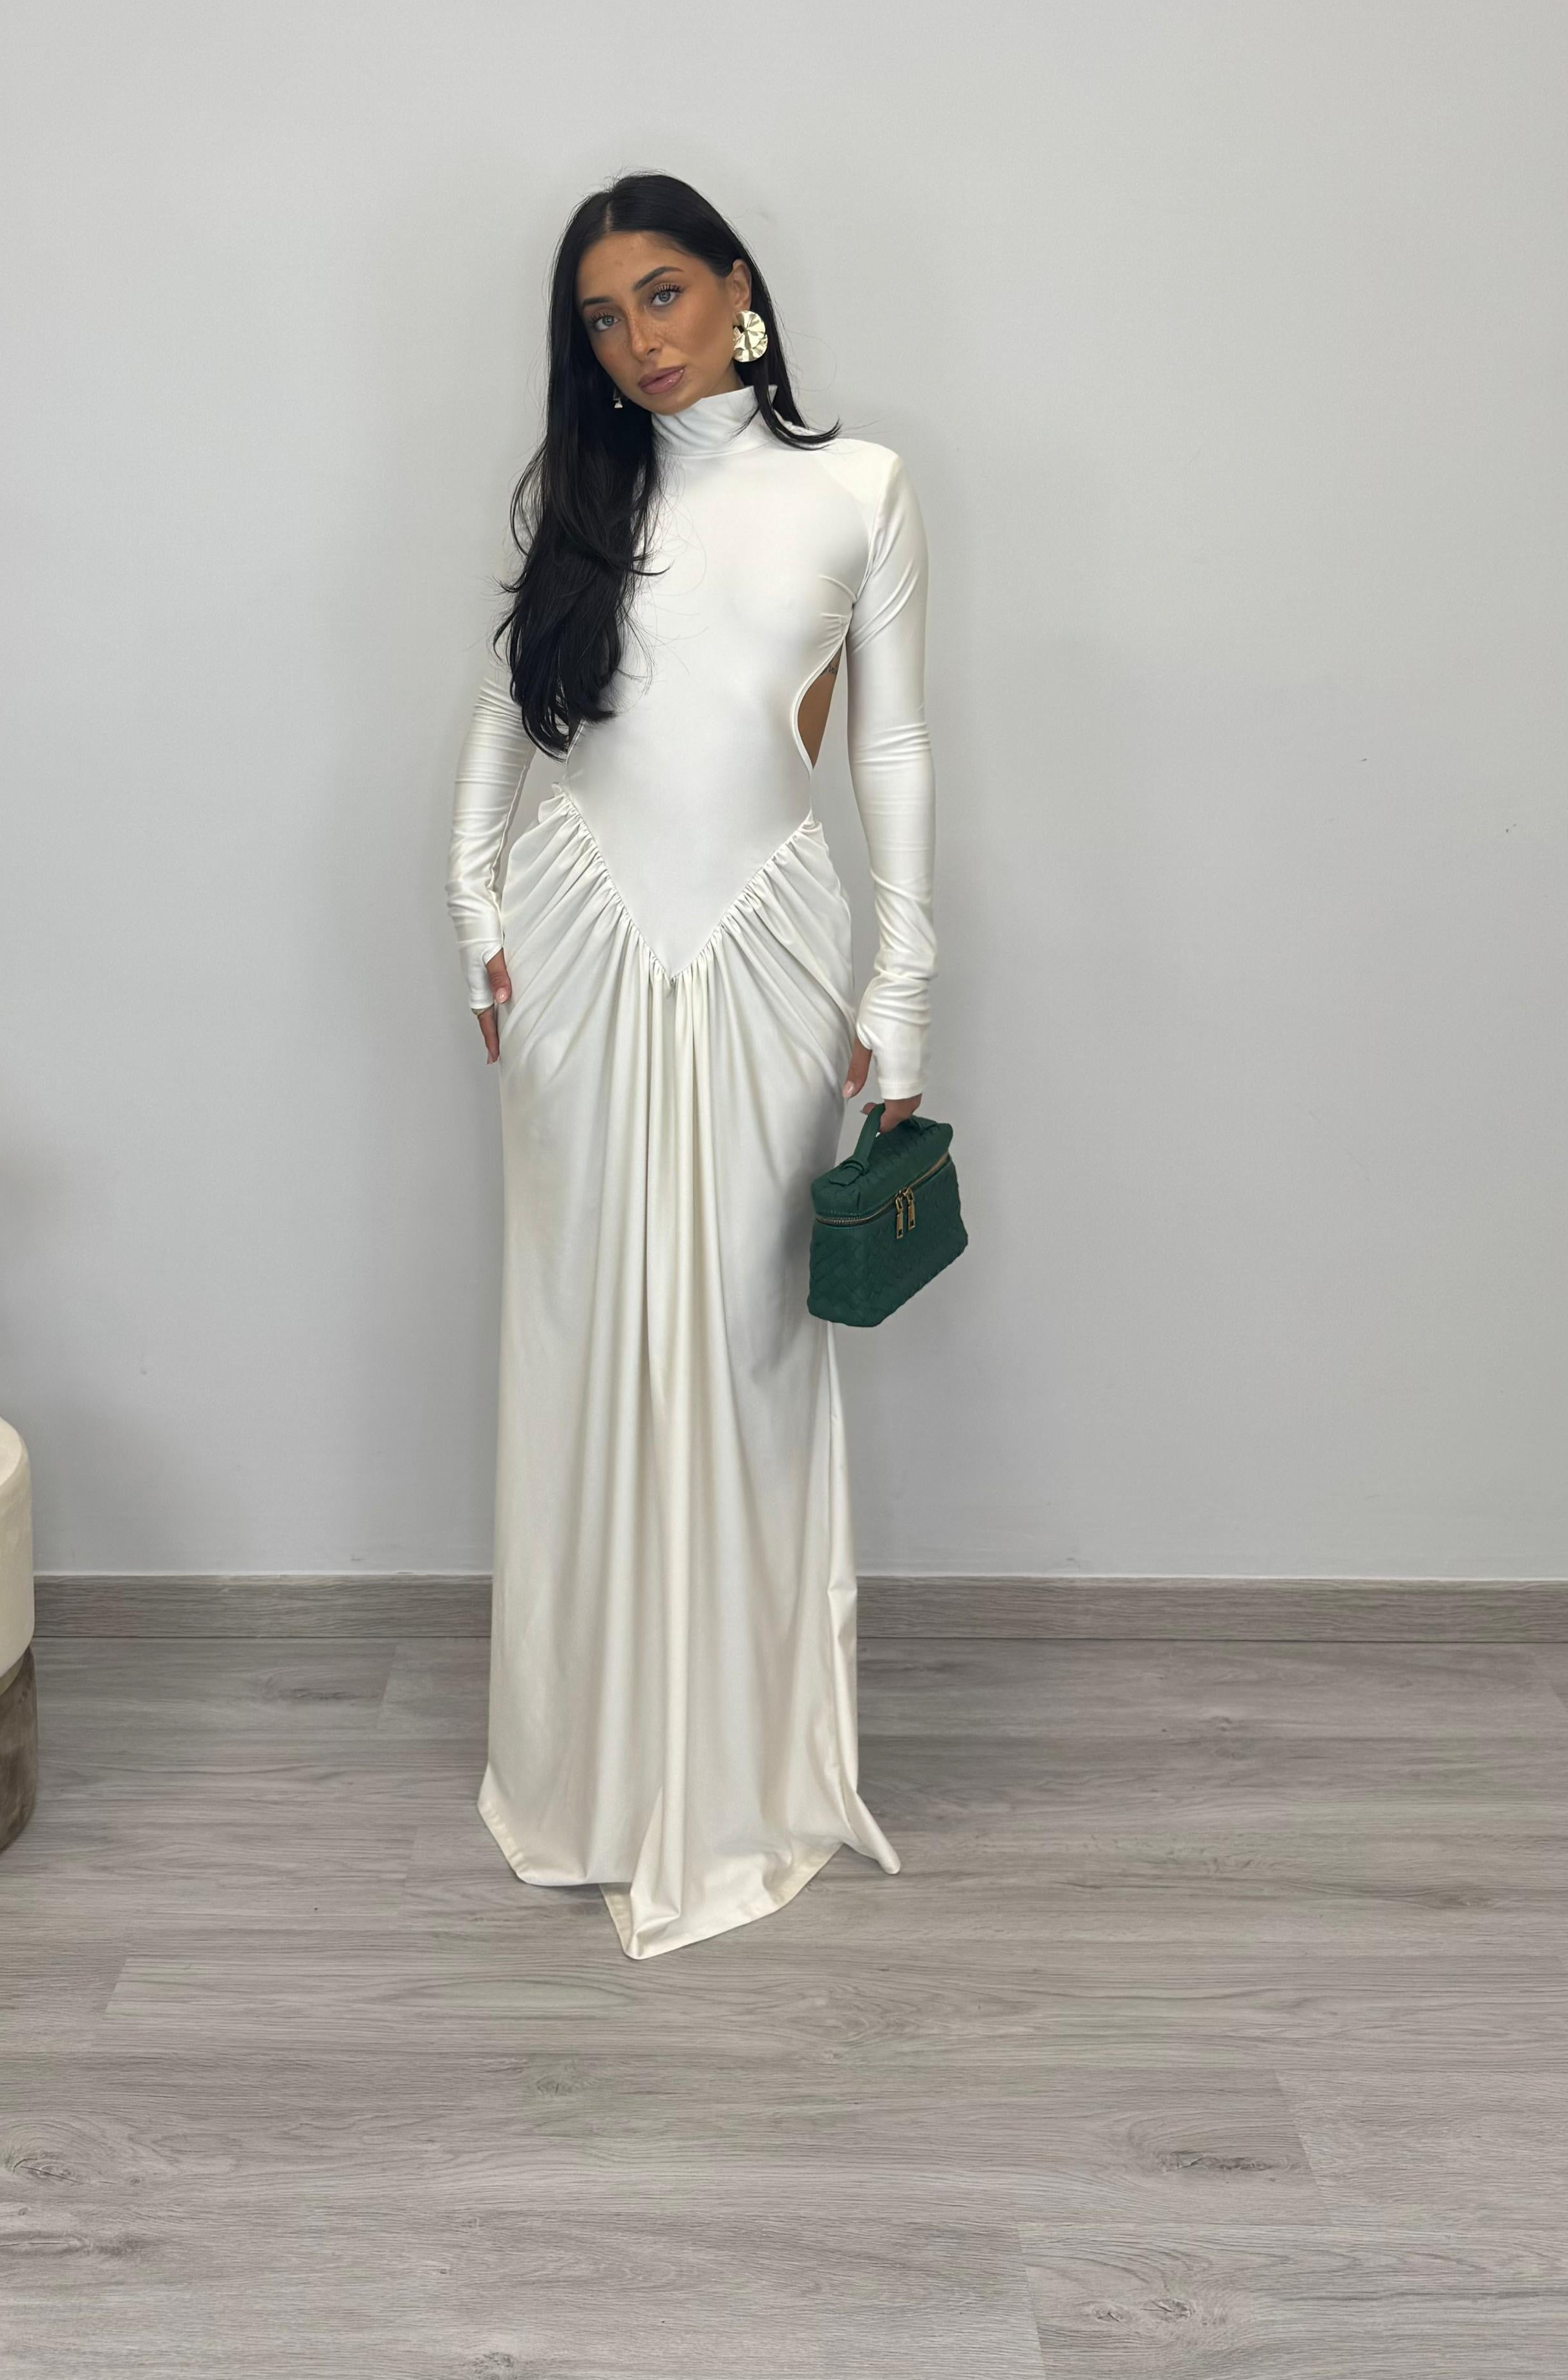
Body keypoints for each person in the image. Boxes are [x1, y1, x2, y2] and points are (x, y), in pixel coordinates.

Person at [444, 170, 937, 1958]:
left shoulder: (859, 488)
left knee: (745, 1345)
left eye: (662, 294)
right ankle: (588, 1777)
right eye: (601, 317)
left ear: (739, 290)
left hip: (771, 943)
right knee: (580, 1334)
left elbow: (892, 750)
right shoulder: (588, 500)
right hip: (576, 940)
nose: (637, 340)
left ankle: (732, 1780)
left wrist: (905, 984)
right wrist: (472, 907)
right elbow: (509, 715)